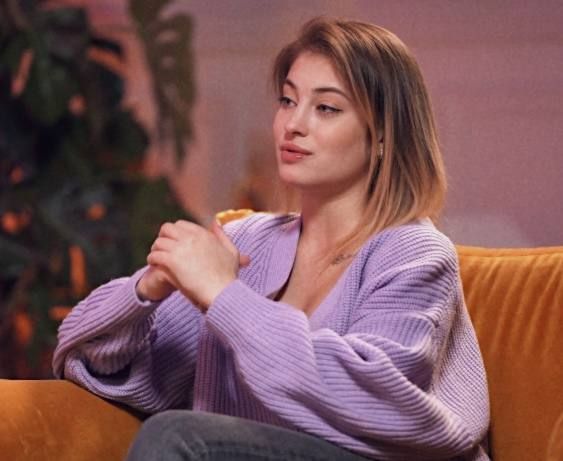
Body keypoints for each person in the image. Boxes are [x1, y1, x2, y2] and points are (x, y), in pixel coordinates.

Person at [53, 17, 490, 461]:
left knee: (180, 439)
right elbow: (85, 356)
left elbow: (372, 400)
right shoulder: (249, 241)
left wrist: (223, 295)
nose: (292, 125)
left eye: (326, 108)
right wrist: (145, 292)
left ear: (381, 136)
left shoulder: (414, 253)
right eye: (287, 100)